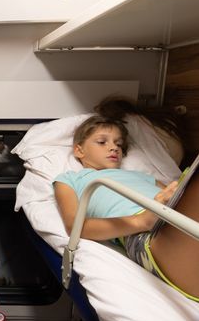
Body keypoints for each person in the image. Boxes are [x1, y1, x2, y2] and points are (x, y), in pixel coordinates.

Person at [53, 113, 199, 301]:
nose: (114, 147)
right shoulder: (71, 179)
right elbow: (75, 226)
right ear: (79, 150)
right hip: (145, 236)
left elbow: (176, 199)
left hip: (175, 218)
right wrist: (141, 221)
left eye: (119, 144)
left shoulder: (144, 177)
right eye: (102, 142)